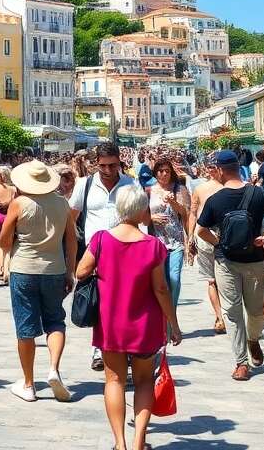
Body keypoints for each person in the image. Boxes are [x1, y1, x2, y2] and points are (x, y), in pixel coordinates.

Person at [75, 184, 182, 450]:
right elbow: (160, 288)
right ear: (142, 209)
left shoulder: (101, 239)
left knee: (114, 380)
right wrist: (174, 323)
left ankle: (120, 443)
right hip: (145, 323)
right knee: (145, 381)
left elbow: (80, 272)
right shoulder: (153, 245)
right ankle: (138, 442)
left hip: (111, 321)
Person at [195, 150, 264, 380]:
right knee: (253, 309)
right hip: (253, 259)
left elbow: (201, 230)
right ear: (238, 168)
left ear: (219, 170)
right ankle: (242, 357)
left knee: (235, 311)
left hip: (227, 260)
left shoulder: (215, 199)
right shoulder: (257, 193)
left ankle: (250, 344)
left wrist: (219, 242)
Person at [0, 160, 78, 402]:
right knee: (55, 320)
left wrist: (10, 247)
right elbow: (72, 241)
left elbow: (3, 240)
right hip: (54, 269)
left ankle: (29, 384)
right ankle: (53, 368)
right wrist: (70, 271)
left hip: (24, 269)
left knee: (26, 328)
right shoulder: (62, 204)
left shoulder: (19, 203)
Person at [69, 142, 146, 371]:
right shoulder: (85, 184)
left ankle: (127, 347)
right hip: (96, 253)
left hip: (126, 252)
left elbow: (143, 218)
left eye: (112, 165)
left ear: (119, 161)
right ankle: (99, 349)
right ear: (96, 164)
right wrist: (73, 252)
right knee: (100, 303)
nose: (108, 170)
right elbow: (71, 218)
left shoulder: (130, 184)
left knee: (127, 303)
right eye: (103, 166)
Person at [191, 156, 227, 334]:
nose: (212, 169)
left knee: (224, 279)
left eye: (215, 166)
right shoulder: (200, 188)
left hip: (225, 237)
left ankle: (225, 315)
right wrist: (190, 236)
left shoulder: (228, 187)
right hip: (205, 236)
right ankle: (220, 316)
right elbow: (193, 213)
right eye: (210, 166)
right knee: (212, 280)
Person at [148, 157, 191, 306]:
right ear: (155, 173)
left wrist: (173, 202)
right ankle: (164, 318)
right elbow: (141, 216)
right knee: (162, 282)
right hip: (156, 242)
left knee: (174, 278)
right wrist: (152, 218)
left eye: (167, 171)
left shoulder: (179, 189)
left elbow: (185, 213)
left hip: (176, 241)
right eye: (160, 171)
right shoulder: (148, 190)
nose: (164, 174)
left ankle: (171, 315)